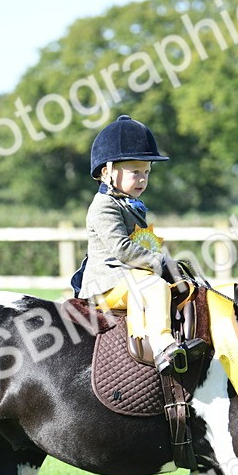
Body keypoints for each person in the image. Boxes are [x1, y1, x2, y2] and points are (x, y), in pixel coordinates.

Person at [73, 115, 198, 373]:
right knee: (154, 286)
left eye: (147, 172)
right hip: (107, 284)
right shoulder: (104, 206)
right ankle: (164, 345)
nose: (142, 179)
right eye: (135, 172)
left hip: (129, 278)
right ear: (107, 172)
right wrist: (160, 262)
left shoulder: (130, 204)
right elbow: (122, 248)